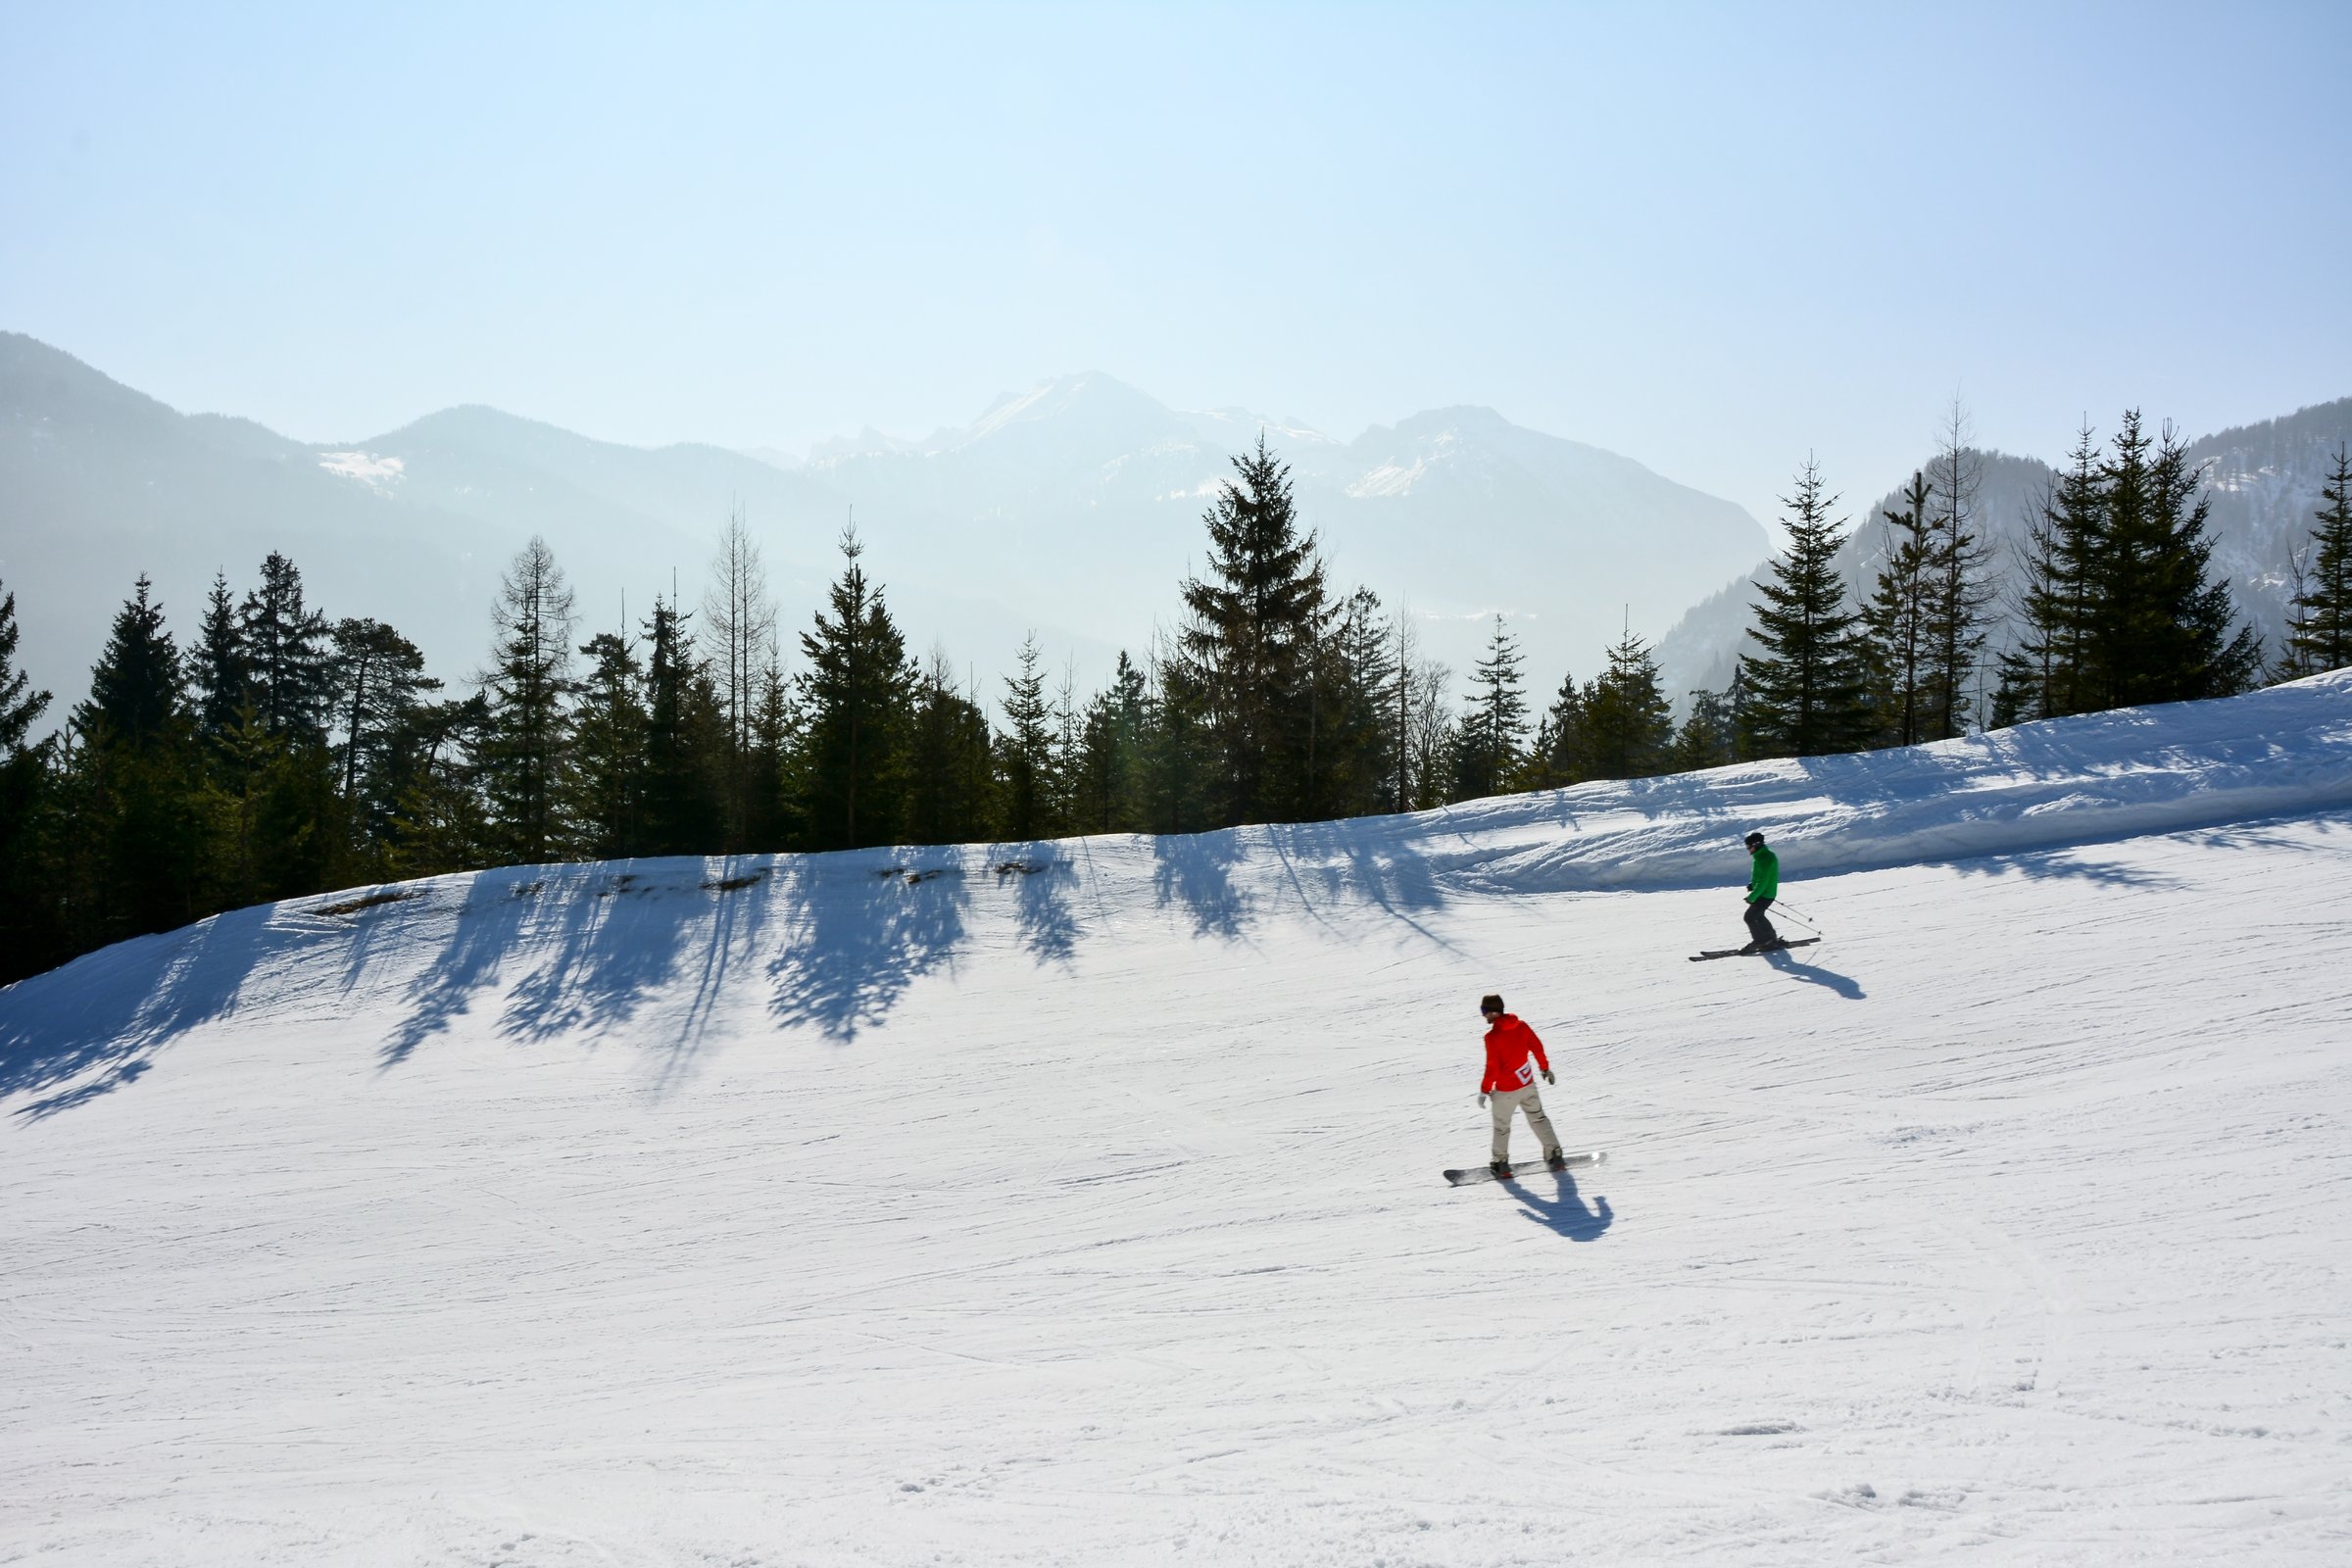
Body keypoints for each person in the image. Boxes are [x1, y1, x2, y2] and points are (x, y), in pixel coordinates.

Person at [1478, 994, 1567, 1178]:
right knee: (1539, 1119)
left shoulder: (1492, 1037)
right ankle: (1555, 1155)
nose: (1483, 1016)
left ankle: (1501, 1164)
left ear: (1494, 1012)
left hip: (1506, 1090)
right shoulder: (1522, 1026)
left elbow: (1492, 1067)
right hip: (1527, 1085)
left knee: (1502, 1126)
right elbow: (1537, 1046)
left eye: (1484, 1011)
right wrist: (1544, 1069)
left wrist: (1485, 1090)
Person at [1740, 830, 1784, 954]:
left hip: (1765, 894)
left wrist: (1752, 897)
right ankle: (1770, 939)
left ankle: (1760, 942)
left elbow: (1763, 882)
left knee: (1749, 917)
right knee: (1758, 916)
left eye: (1749, 846)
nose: (1747, 849)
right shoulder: (1760, 856)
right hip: (1765, 893)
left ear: (1756, 845)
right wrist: (1752, 885)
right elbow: (1757, 875)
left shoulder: (1766, 859)